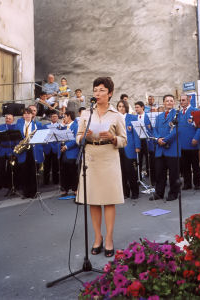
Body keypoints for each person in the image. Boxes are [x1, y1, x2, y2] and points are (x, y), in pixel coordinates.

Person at [76, 77, 127, 257]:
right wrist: (84, 137)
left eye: (102, 90)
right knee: (94, 200)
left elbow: (123, 140)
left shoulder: (116, 115)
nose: (97, 94)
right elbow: (78, 136)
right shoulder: (86, 114)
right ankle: (97, 237)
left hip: (108, 157)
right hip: (91, 157)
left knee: (108, 200)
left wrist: (112, 138)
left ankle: (109, 239)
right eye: (95, 90)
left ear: (110, 93)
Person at [150, 95, 181, 201]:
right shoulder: (159, 117)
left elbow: (177, 130)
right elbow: (154, 130)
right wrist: (158, 139)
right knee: (159, 173)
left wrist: (165, 140)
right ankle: (159, 193)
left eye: (171, 101)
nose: (169, 102)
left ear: (174, 103)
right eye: (167, 101)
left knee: (173, 174)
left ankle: (173, 193)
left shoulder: (177, 114)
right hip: (160, 149)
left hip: (171, 148)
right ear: (163, 103)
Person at [15, 108, 43, 198]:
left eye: (28, 114)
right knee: (24, 172)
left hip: (33, 150)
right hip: (23, 151)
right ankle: (26, 193)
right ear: (23, 116)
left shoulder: (37, 125)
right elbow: (16, 138)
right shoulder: (19, 125)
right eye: (25, 114)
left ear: (32, 115)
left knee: (33, 172)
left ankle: (34, 192)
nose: (27, 115)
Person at [117, 99, 140, 200]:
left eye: (122, 106)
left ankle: (135, 192)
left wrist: (138, 146)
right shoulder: (115, 119)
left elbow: (136, 134)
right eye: (119, 106)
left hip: (129, 148)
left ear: (126, 107)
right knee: (121, 172)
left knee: (131, 171)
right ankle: (125, 193)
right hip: (118, 148)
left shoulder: (132, 117)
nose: (121, 108)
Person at [179, 94, 200, 190]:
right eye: (180, 100)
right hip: (182, 144)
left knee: (195, 165)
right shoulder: (179, 113)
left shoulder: (195, 111)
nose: (181, 102)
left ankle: (198, 183)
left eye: (183, 100)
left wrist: (196, 138)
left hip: (192, 142)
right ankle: (187, 183)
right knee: (185, 166)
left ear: (188, 100)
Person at [0, 114, 16, 191]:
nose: (8, 119)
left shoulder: (15, 127)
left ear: (13, 120)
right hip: (2, 150)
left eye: (10, 118)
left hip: (11, 150)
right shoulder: (0, 127)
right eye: (6, 118)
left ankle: (9, 184)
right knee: (1, 167)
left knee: (10, 168)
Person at [135, 101, 156, 185]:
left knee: (150, 160)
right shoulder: (134, 117)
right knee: (138, 160)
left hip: (147, 141)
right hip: (139, 141)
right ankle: (139, 179)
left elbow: (152, 130)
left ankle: (153, 179)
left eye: (137, 107)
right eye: (135, 107)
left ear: (142, 107)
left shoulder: (148, 116)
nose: (136, 109)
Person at [59, 111, 79, 196]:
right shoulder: (64, 126)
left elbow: (76, 139)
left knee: (73, 171)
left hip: (72, 152)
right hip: (63, 152)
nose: (64, 118)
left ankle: (75, 189)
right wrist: (62, 126)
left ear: (69, 116)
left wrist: (66, 147)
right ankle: (65, 189)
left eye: (65, 116)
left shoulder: (76, 126)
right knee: (64, 171)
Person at [43, 112, 60, 185]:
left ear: (58, 118)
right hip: (47, 147)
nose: (54, 118)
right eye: (53, 116)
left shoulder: (60, 126)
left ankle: (55, 181)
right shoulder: (45, 126)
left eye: (56, 116)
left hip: (56, 147)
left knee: (55, 166)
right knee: (46, 166)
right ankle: (46, 181)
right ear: (50, 118)